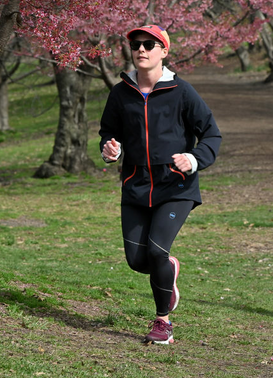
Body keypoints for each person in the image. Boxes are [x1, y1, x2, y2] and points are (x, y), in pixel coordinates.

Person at [99, 25, 221, 344]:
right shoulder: (120, 92)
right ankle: (169, 268)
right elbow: (109, 134)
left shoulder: (182, 92)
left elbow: (211, 134)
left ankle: (162, 321)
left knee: (156, 250)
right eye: (136, 44)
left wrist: (193, 159)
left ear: (164, 51)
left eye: (149, 44)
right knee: (138, 261)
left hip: (175, 187)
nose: (141, 49)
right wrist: (111, 150)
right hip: (136, 187)